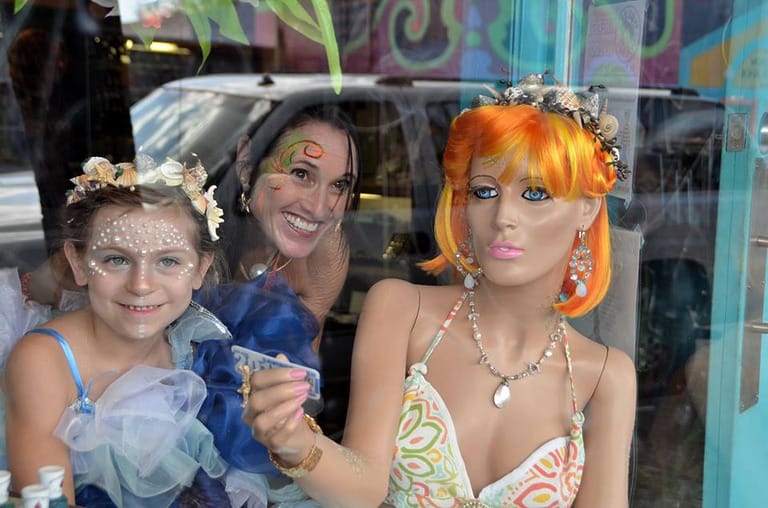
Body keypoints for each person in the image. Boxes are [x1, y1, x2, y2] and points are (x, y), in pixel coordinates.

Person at [242, 74, 637, 507]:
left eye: (536, 193)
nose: (503, 215)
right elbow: (363, 487)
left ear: (587, 208)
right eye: (484, 191)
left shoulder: (604, 378)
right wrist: (296, 442)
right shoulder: (403, 311)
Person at [3, 155, 230, 507]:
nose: (141, 285)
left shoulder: (192, 352)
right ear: (79, 263)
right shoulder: (44, 363)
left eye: (168, 261)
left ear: (200, 268)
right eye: (116, 259)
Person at [190, 104, 361, 506]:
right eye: (301, 174)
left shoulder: (324, 252)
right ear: (248, 163)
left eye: (339, 185)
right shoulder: (196, 228)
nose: (320, 208)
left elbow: (298, 386)